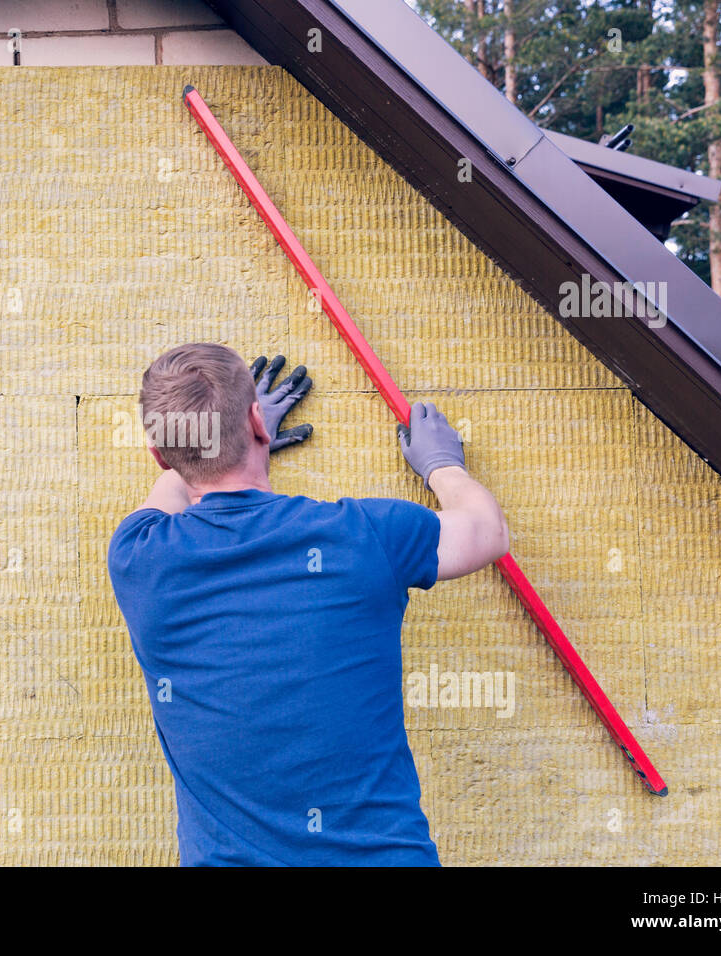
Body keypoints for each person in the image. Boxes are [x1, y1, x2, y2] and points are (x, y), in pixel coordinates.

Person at [107, 342, 510, 866]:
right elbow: (486, 532)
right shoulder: (366, 535)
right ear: (258, 419)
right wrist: (442, 466)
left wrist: (219, 447)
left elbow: (175, 486)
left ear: (159, 455)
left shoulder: (139, 556)